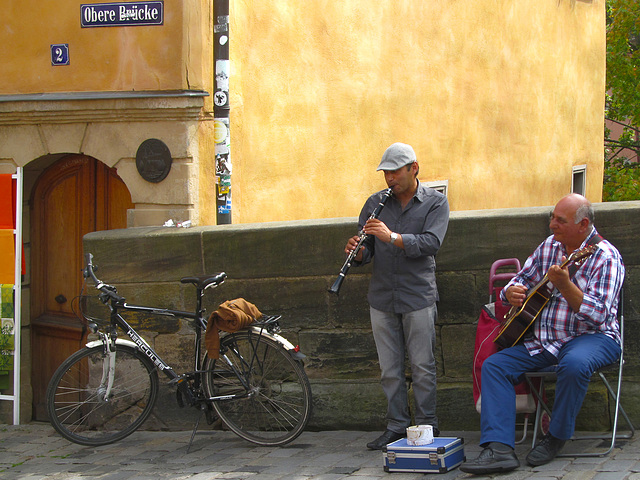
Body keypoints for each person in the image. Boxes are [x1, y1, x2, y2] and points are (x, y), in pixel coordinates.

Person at [460, 194, 624, 474]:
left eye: (560, 220)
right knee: (495, 366)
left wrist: (565, 285)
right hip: (547, 340)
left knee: (574, 364)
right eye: (552, 217)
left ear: (583, 224)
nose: (551, 225)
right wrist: (511, 290)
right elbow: (523, 277)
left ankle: (556, 436)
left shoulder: (606, 257)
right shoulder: (550, 246)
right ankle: (499, 449)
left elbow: (597, 315)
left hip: (594, 337)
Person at [343, 143, 450, 450]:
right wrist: (358, 250)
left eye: (395, 172)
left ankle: (428, 426)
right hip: (382, 296)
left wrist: (392, 237)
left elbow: (431, 242)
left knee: (422, 366)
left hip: (418, 294)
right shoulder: (375, 202)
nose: (389, 179)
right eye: (386, 173)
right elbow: (368, 251)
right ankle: (397, 426)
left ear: (413, 168)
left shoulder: (435, 202)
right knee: (389, 369)